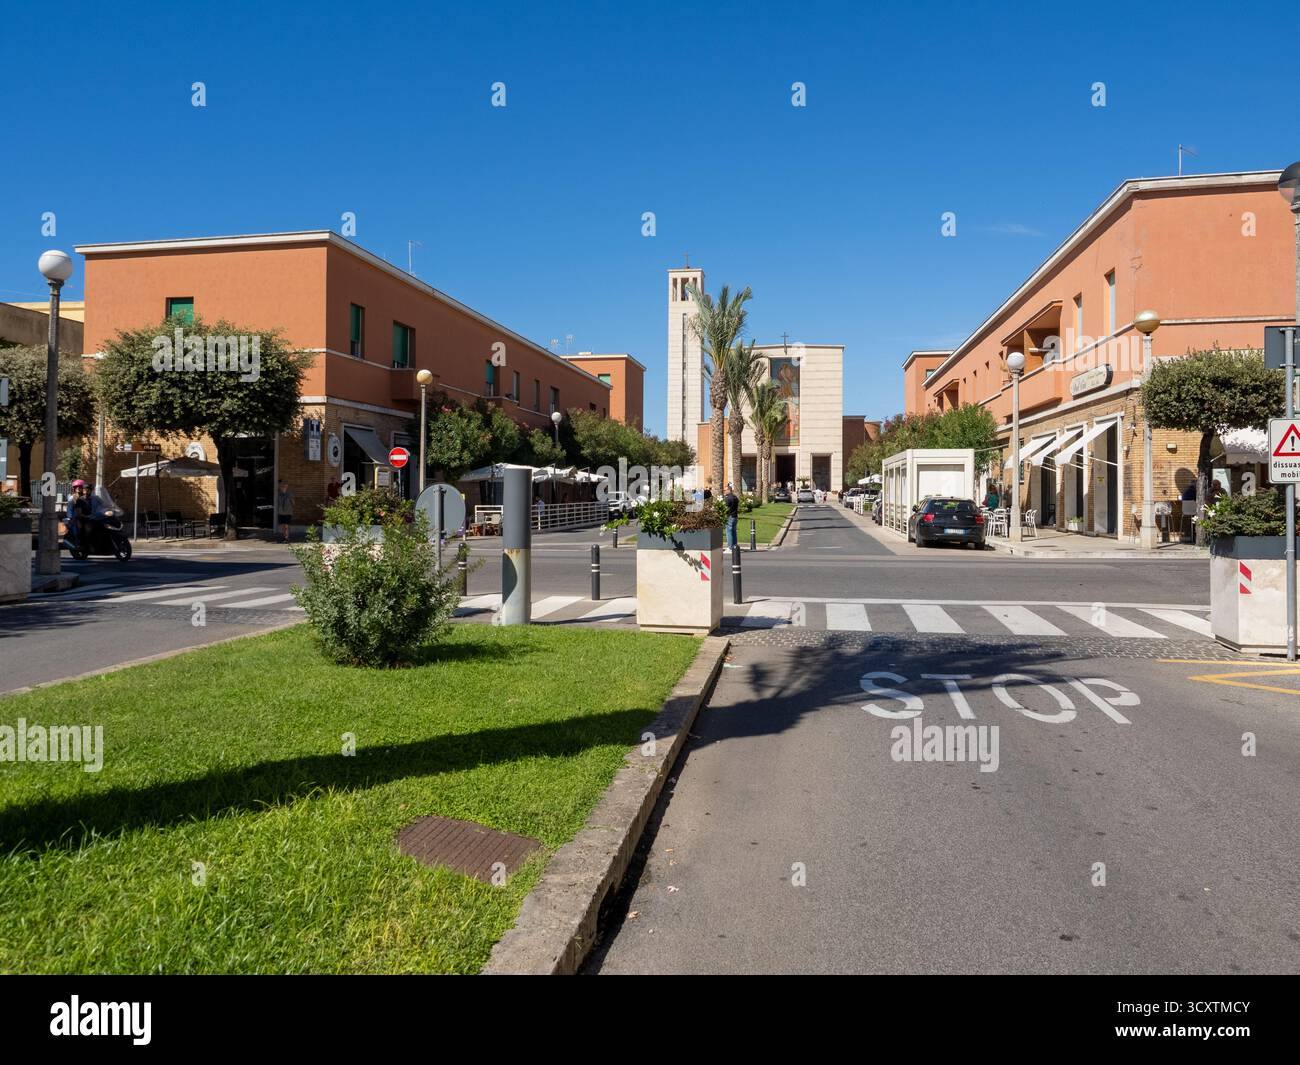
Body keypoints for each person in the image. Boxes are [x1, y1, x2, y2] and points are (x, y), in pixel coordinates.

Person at [723, 482, 739, 553]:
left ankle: (730, 548)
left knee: (729, 532)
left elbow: (726, 508)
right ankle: (735, 546)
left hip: (730, 517)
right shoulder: (735, 497)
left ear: (729, 490)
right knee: (733, 532)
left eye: (725, 490)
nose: (724, 491)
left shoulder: (728, 498)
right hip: (735, 516)